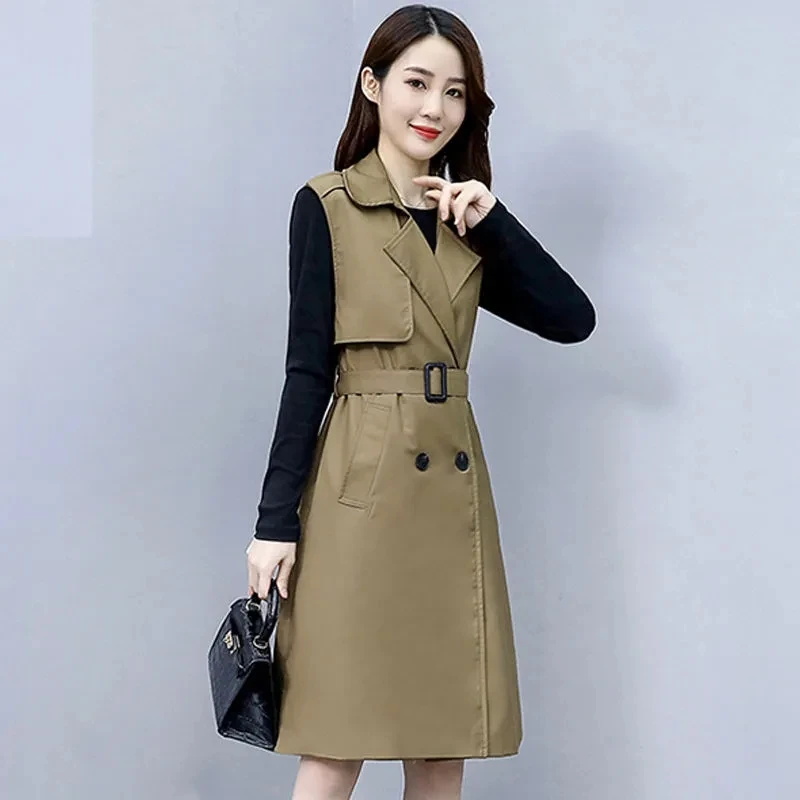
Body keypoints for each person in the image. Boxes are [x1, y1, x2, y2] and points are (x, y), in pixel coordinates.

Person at [245, 5, 596, 798]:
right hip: (359, 494)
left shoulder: (465, 223)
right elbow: (306, 372)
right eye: (416, 82)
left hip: (448, 501)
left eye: (455, 91)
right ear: (372, 85)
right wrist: (274, 524)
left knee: (440, 746)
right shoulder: (327, 206)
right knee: (337, 739)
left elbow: (572, 319)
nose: (434, 107)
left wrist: (494, 224)